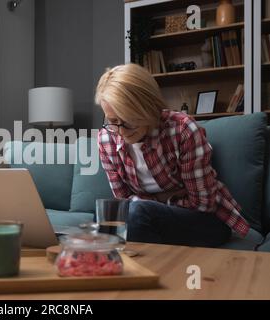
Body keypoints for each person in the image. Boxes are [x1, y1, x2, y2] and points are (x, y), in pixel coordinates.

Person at [95, 63, 249, 247]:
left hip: (206, 220)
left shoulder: (183, 130)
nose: (120, 131)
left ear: (148, 108)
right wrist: (167, 196)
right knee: (106, 217)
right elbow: (122, 204)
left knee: (137, 213)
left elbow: (202, 204)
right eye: (112, 121)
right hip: (146, 221)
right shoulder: (106, 139)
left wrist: (148, 205)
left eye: (128, 120)